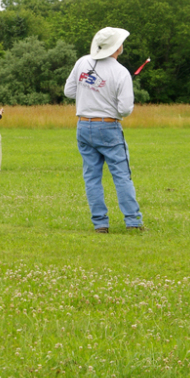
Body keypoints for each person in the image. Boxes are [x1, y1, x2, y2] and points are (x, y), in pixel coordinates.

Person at [63, 27, 144, 234]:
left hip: (83, 124)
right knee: (121, 175)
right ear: (117, 47)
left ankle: (100, 223)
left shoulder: (82, 62)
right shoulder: (120, 72)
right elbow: (125, 109)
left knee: (91, 177)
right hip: (108, 125)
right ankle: (133, 221)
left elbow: (69, 91)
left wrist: (89, 95)